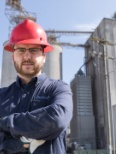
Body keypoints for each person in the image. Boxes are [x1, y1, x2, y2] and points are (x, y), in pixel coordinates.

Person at [0, 19, 73, 154]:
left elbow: (56, 120)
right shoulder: (1, 96)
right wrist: (22, 144)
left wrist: (5, 123)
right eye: (21, 50)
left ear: (44, 56)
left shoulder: (58, 89)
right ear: (13, 57)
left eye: (34, 50)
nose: (27, 56)